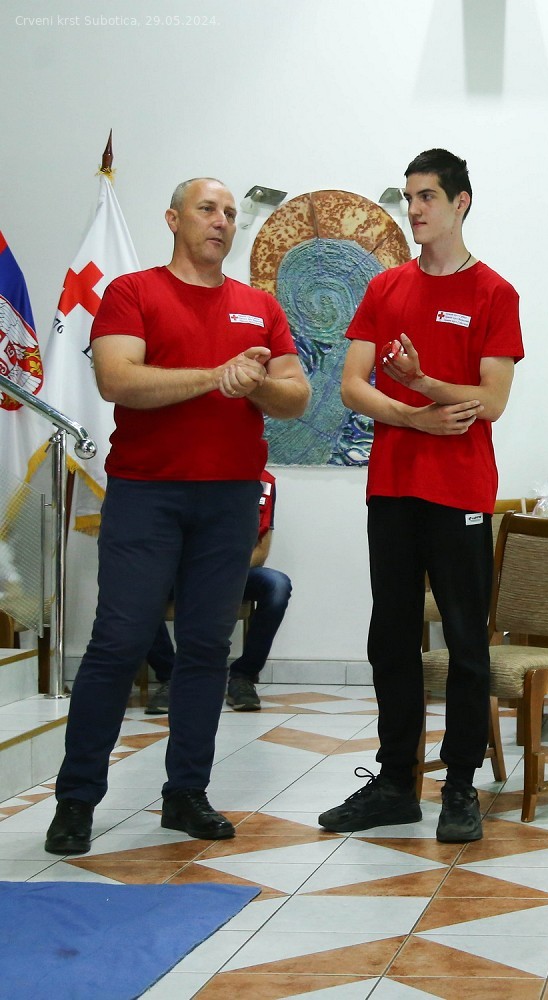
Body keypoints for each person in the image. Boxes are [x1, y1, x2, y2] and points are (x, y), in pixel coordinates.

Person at [45, 177, 309, 855]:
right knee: (119, 642)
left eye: (229, 213)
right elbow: (117, 379)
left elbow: (296, 396)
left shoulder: (258, 305)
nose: (221, 221)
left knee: (206, 649)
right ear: (173, 218)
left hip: (229, 500)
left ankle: (186, 792)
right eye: (207, 209)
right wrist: (216, 376)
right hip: (147, 495)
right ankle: (77, 798)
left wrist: (257, 383)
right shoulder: (133, 292)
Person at [321, 148, 523, 845]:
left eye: (427, 196)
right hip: (393, 487)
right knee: (391, 636)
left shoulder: (494, 293)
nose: (414, 210)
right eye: (408, 197)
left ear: (461, 202)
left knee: (466, 639)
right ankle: (395, 782)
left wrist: (423, 384)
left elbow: (492, 401)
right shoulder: (385, 289)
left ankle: (460, 784)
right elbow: (352, 385)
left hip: (460, 490)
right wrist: (414, 416)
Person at [145, 469, 291, 714]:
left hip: (234, 569)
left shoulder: (263, 481)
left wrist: (218, 571)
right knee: (141, 587)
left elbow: (260, 552)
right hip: (178, 569)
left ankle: (243, 676)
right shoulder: (182, 472)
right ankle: (170, 676)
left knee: (277, 585)